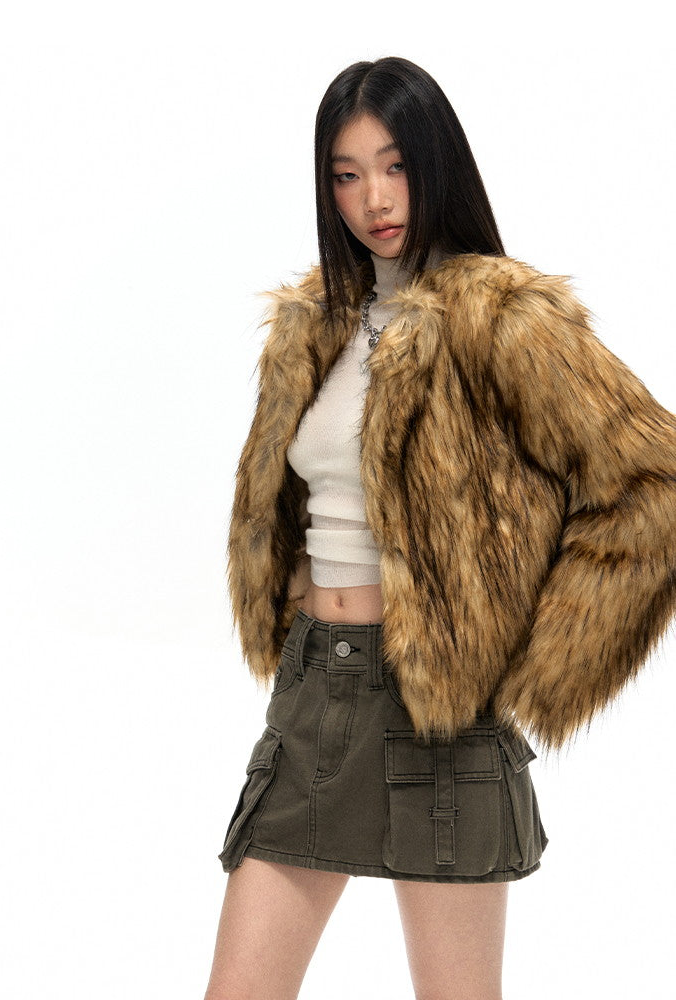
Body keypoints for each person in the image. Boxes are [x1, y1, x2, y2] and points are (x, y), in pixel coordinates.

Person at [204, 57, 676, 1000]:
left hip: (443, 714)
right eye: (346, 174)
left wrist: (541, 665)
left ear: (436, 163)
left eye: (395, 165)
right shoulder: (314, 326)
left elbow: (652, 481)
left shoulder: (504, 316)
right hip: (317, 695)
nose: (374, 199)